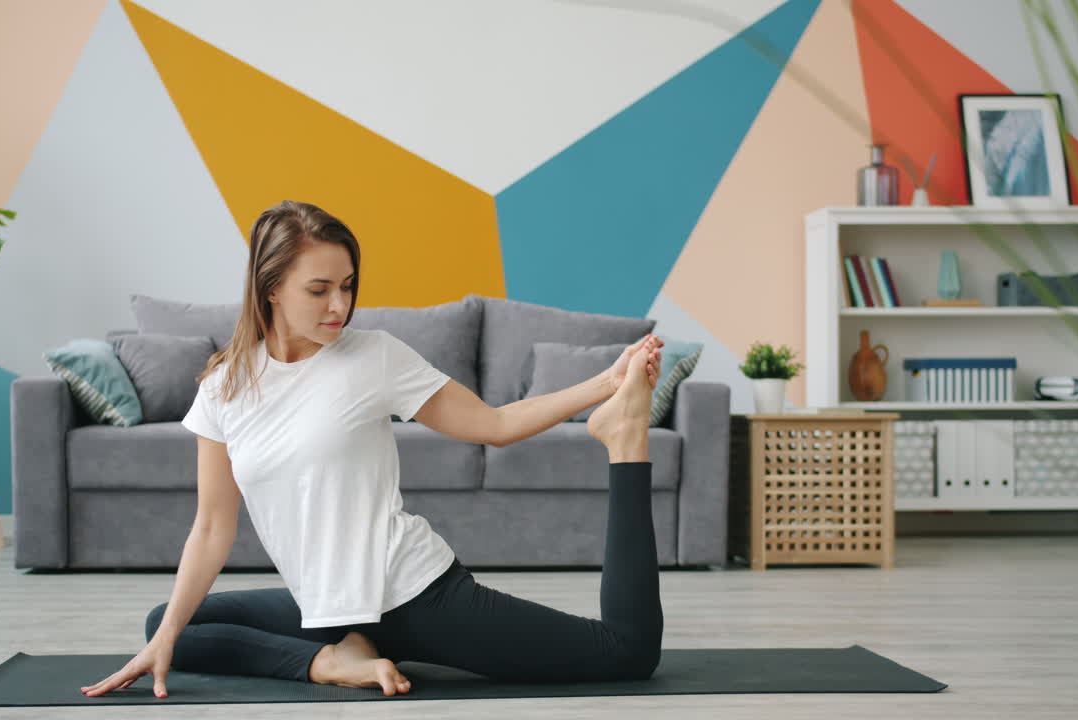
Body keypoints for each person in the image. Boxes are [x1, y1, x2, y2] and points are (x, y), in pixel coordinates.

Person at [80, 201, 666, 699]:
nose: (340, 305)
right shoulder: (224, 388)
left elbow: (495, 424)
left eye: (348, 285)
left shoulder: (374, 356)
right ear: (270, 288)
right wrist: (167, 643)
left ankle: (626, 437)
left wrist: (607, 385)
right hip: (328, 608)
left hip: (411, 595)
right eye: (319, 289)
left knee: (627, 654)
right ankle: (331, 660)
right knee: (168, 625)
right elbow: (211, 528)